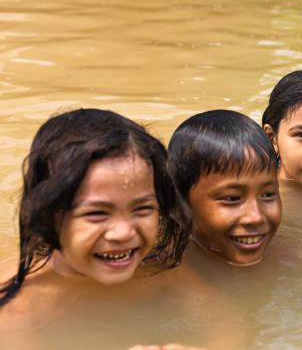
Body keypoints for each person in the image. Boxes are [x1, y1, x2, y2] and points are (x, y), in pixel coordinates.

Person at [0, 108, 191, 309]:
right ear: (46, 215)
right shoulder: (18, 305)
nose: (123, 233)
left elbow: (222, 332)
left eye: (142, 209)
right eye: (97, 213)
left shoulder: (166, 270)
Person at [168, 110, 281, 266]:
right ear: (181, 204)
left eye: (268, 195)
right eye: (232, 198)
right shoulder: (158, 275)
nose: (256, 217)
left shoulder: (298, 258)